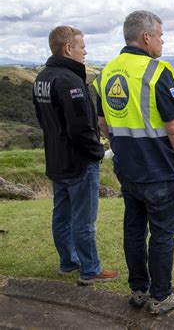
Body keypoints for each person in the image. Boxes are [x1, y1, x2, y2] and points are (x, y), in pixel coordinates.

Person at [93, 11, 174, 314]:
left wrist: (123, 146)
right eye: (161, 35)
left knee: (134, 231)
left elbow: (102, 122)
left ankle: (139, 290)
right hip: (159, 170)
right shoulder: (156, 71)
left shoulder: (106, 73)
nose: (163, 41)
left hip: (128, 170)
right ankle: (162, 296)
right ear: (146, 37)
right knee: (162, 235)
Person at [33, 26, 119, 285]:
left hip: (56, 158)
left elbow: (44, 120)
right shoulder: (71, 82)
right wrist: (97, 152)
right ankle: (90, 269)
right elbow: (81, 127)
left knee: (61, 215)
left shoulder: (42, 78)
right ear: (68, 48)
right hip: (79, 162)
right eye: (82, 46)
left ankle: (68, 262)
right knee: (84, 219)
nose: (85, 51)